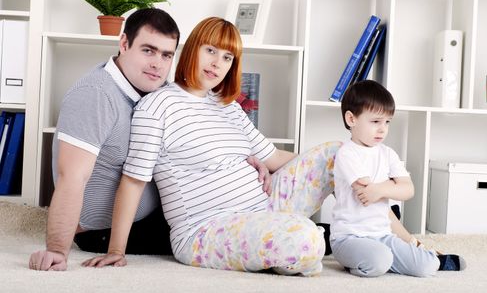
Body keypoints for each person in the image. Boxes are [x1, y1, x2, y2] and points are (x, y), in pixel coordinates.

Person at [82, 17, 438, 276]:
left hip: (266, 204)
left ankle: (399, 238)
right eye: (211, 51)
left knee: (337, 153)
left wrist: (326, 170)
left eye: (227, 57)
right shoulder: (157, 107)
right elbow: (133, 180)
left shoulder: (227, 106)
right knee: (308, 240)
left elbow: (275, 157)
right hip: (206, 229)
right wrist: (116, 249)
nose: (217, 64)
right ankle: (311, 247)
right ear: (192, 50)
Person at [28, 9, 271, 272]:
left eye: (166, 55)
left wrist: (243, 161)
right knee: (247, 237)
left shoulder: (154, 88)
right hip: (108, 229)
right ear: (124, 44)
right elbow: (71, 177)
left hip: (162, 209)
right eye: (148, 50)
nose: (157, 63)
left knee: (253, 214)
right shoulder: (96, 95)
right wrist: (56, 250)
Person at [330, 79, 464, 278]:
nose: (383, 129)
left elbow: (408, 190)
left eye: (387, 122)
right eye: (375, 122)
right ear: (351, 120)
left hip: (382, 235)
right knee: (379, 260)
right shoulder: (347, 154)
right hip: (349, 238)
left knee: (427, 265)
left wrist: (382, 189)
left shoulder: (387, 153)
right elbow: (365, 193)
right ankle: (370, 261)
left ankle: (394, 259)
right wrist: (393, 185)